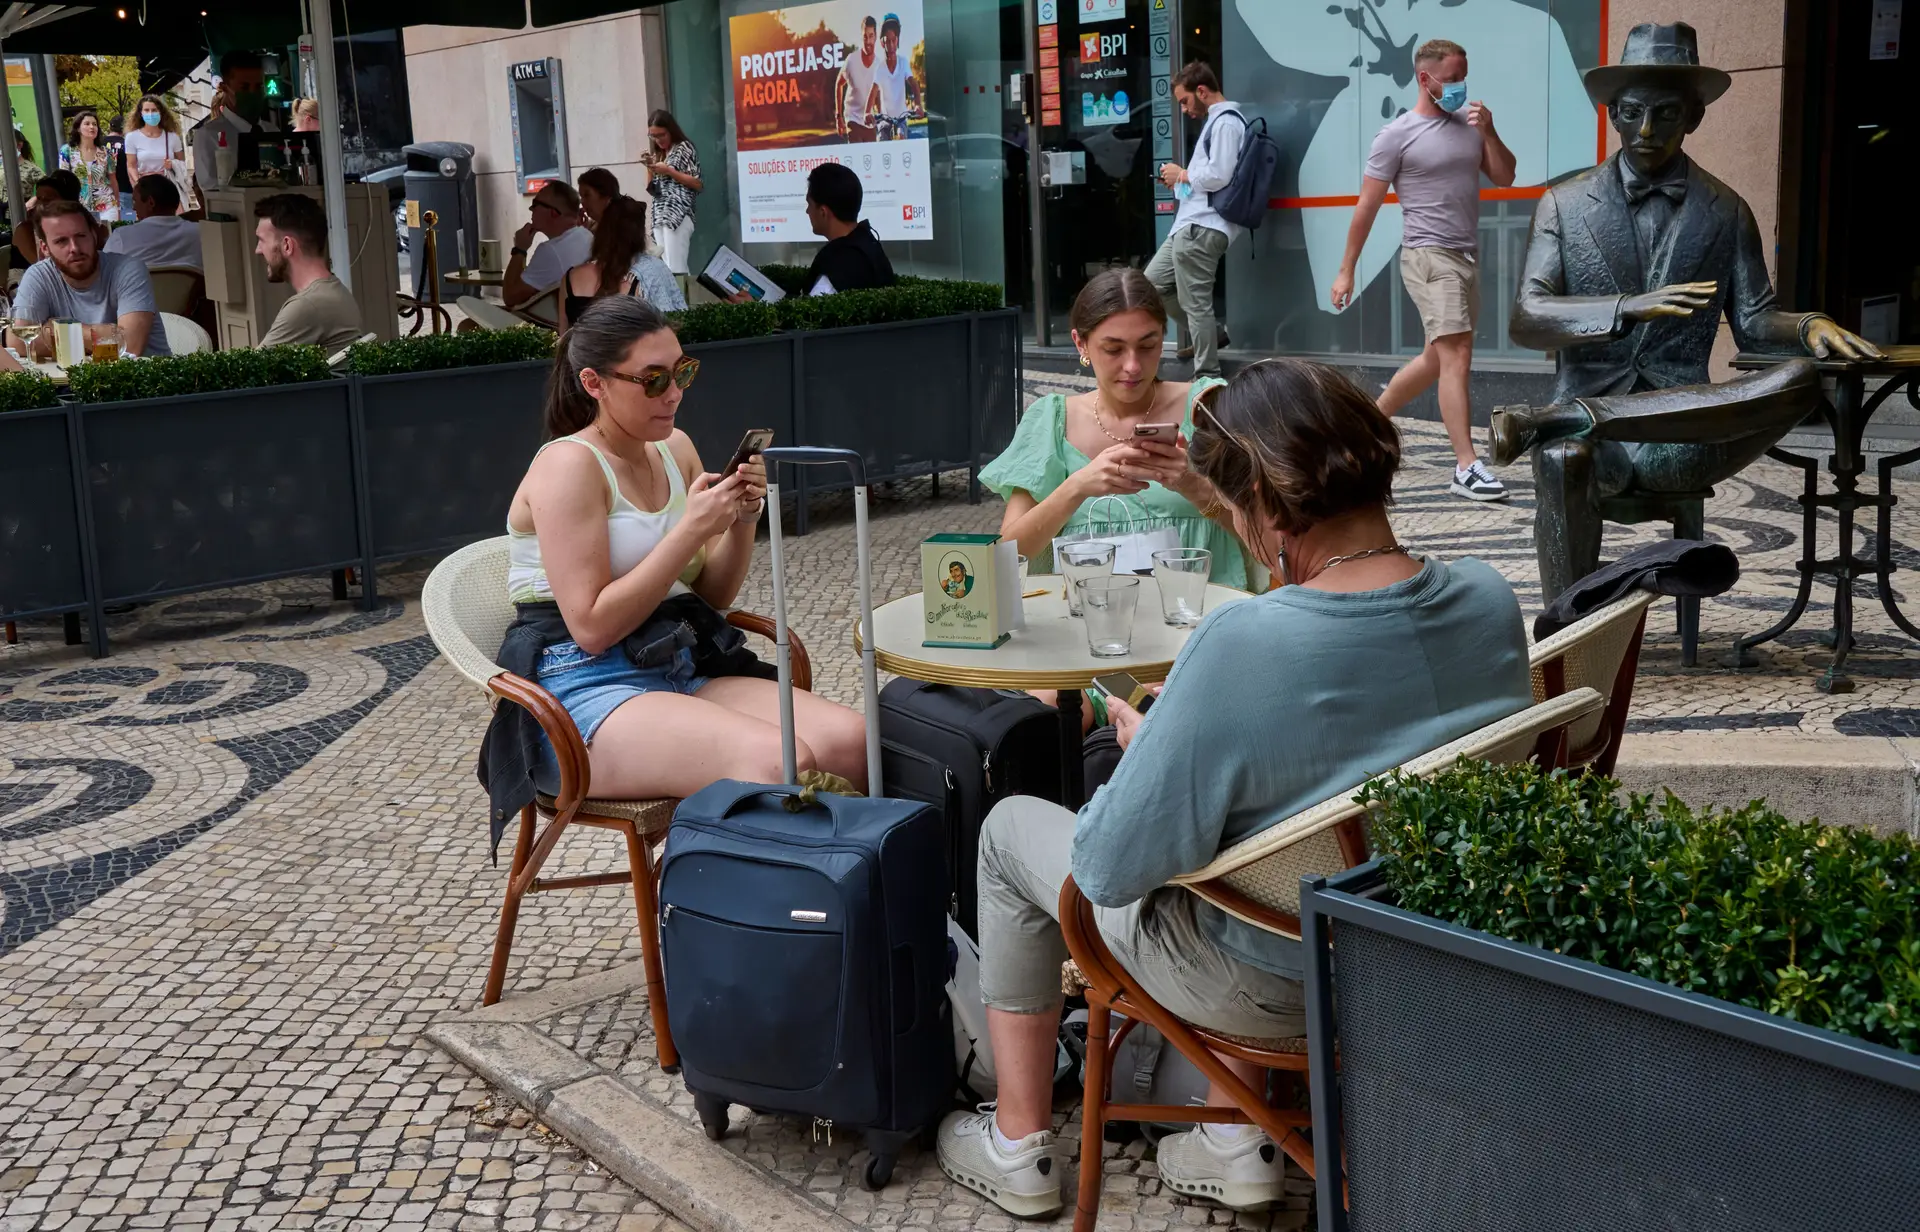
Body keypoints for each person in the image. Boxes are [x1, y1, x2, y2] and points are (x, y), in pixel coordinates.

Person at [936, 357, 1534, 1218]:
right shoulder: (1486, 596)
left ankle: (1020, 1140)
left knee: (1008, 832)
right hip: (1434, 941)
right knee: (1262, 813)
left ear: (1263, 503)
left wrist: (1152, 755)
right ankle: (1229, 1134)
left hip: (1271, 976)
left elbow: (1106, 868)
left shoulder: (1244, 640)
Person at [1496, 20, 1878, 601]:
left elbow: (1754, 321)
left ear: (1694, 118)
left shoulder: (1727, 210)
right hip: (1592, 450)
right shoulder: (1564, 204)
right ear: (1613, 115)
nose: (1646, 130)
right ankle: (1566, 631)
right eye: (1631, 112)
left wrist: (1809, 325)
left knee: (1802, 379)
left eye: (1667, 114)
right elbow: (1527, 317)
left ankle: (1562, 416)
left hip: (1678, 438)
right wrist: (1628, 307)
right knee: (1564, 459)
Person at [496, 295, 869, 804]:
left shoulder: (675, 449)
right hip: (580, 688)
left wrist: (740, 519)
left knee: (853, 742)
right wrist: (690, 531)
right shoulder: (569, 465)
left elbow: (712, 594)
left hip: (678, 661)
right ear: (594, 383)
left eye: (682, 372)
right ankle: (728, 880)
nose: (673, 393)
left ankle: (849, 876)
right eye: (653, 380)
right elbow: (592, 627)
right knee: (781, 760)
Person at [980, 269, 1253, 590]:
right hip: (1088, 627)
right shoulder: (1052, 419)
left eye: (1148, 345)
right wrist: (1077, 486)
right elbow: (1008, 554)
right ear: (1080, 343)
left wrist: (1193, 486)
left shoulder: (1207, 407)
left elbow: (1270, 535)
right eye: (1113, 349)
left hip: (1198, 620)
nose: (1133, 366)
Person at [1330, 38, 1517, 503]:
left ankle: (1370, 421)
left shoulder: (1471, 127)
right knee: (1456, 356)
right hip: (1427, 256)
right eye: (1451, 79)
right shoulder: (1396, 135)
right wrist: (1346, 270)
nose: (1458, 87)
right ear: (1424, 78)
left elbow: (1506, 175)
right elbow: (1366, 207)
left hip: (1466, 256)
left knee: (1437, 356)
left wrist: (1490, 131)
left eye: (1463, 78)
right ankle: (1466, 466)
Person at [1146, 61, 1240, 379]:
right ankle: (1210, 338)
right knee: (1153, 285)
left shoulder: (1226, 123)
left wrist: (1183, 173)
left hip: (1204, 226)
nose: (1185, 109)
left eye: (1185, 101)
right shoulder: (1215, 123)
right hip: (1191, 223)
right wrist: (1179, 183)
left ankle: (1207, 374)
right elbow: (1205, 182)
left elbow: (1219, 174)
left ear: (1202, 91)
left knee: (1195, 301)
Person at [8, 199, 169, 358]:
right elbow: (18, 342)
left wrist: (59, 330)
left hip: (140, 380)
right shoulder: (39, 275)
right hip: (74, 380)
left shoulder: (128, 269)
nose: (74, 248)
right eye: (61, 241)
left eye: (81, 236)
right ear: (45, 248)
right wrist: (106, 336)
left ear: (93, 235)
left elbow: (130, 346)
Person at [556, 195, 686, 333]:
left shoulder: (571, 277)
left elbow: (563, 335)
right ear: (639, 234)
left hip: (580, 353)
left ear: (601, 231)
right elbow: (672, 327)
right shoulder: (649, 271)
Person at [253, 193, 363, 352]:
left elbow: (251, 369)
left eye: (262, 240)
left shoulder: (308, 306)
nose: (258, 250)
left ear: (287, 246)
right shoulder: (334, 290)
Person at [194, 52, 280, 194]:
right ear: (225, 88)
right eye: (244, 88)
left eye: (258, 87)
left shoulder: (272, 132)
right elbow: (211, 188)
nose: (252, 93)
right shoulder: (208, 136)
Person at [801, 163, 894, 294]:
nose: (807, 211)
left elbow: (809, 311)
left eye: (809, 204)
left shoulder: (840, 266)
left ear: (823, 212)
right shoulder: (869, 244)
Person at [503, 180, 592, 310]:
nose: (531, 209)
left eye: (535, 204)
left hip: (548, 324)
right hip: (576, 317)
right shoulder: (586, 235)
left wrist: (520, 249)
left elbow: (510, 297)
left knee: (469, 324)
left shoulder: (550, 250)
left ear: (554, 212)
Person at [642, 111, 702, 287]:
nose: (658, 140)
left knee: (676, 267)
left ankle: (684, 309)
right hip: (660, 214)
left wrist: (669, 171)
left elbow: (697, 183)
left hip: (678, 214)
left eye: (661, 135)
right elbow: (651, 189)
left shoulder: (683, 147)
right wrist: (649, 167)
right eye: (653, 136)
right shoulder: (660, 153)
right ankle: (683, 305)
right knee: (668, 268)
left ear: (671, 130)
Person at [103, 176, 202, 271]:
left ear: (151, 203)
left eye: (135, 201)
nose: (133, 208)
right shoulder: (200, 233)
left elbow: (105, 275)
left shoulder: (121, 237)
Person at [124, 95, 187, 212]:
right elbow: (131, 165)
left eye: (154, 110)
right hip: (146, 189)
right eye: (146, 110)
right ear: (140, 113)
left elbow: (182, 163)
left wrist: (173, 164)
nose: (150, 113)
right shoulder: (132, 137)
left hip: (168, 187)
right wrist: (139, 184)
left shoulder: (172, 137)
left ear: (161, 112)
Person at [9, 171, 82, 271]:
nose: (42, 203)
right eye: (39, 198)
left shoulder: (73, 226)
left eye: (48, 199)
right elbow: (46, 269)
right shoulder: (25, 229)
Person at [59, 111, 120, 224]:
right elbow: (64, 181)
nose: (92, 127)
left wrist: (118, 206)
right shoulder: (67, 151)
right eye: (87, 124)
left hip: (107, 204)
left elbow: (113, 180)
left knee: (109, 237)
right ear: (78, 128)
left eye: (94, 124)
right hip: (79, 206)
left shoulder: (106, 152)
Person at [871, 12, 922, 139]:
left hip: (901, 118)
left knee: (901, 135)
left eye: (894, 40)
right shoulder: (880, 67)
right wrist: (867, 112)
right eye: (887, 41)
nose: (891, 45)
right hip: (884, 119)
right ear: (882, 43)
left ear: (897, 40)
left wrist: (918, 105)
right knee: (881, 139)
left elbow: (914, 85)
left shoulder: (903, 62)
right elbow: (873, 91)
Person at [835, 15, 880, 142]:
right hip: (852, 118)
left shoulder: (879, 66)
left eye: (871, 36)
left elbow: (877, 97)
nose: (868, 41)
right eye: (865, 36)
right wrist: (838, 117)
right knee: (858, 152)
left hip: (869, 122)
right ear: (862, 37)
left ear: (875, 37)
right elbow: (839, 84)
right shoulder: (851, 60)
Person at [3, 129, 46, 208]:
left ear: (19, 145)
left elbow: (48, 189)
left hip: (21, 213)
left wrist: (34, 200)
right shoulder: (1, 166)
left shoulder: (32, 169)